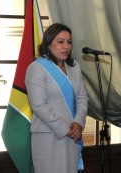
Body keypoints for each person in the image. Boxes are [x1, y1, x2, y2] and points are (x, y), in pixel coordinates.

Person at [25, 23, 88, 173]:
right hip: (48, 136)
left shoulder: (75, 67)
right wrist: (65, 129)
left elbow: (82, 98)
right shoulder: (37, 68)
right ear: (48, 44)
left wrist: (78, 123)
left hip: (73, 135)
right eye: (60, 42)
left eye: (69, 42)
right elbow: (39, 105)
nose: (66, 46)